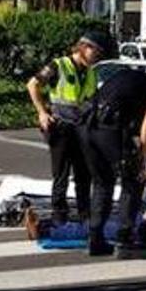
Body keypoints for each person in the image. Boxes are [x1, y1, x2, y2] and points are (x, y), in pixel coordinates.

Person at [79, 65, 146, 257]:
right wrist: (141, 154)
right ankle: (124, 239)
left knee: (103, 182)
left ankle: (95, 238)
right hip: (110, 129)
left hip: (87, 128)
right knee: (134, 180)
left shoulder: (126, 75)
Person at [26, 31, 107, 226]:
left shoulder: (90, 72)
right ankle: (59, 215)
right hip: (61, 127)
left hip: (81, 128)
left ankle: (84, 215)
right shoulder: (59, 65)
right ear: (84, 47)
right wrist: (42, 113)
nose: (97, 57)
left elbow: (91, 99)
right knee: (61, 174)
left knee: (83, 174)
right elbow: (32, 84)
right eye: (96, 52)